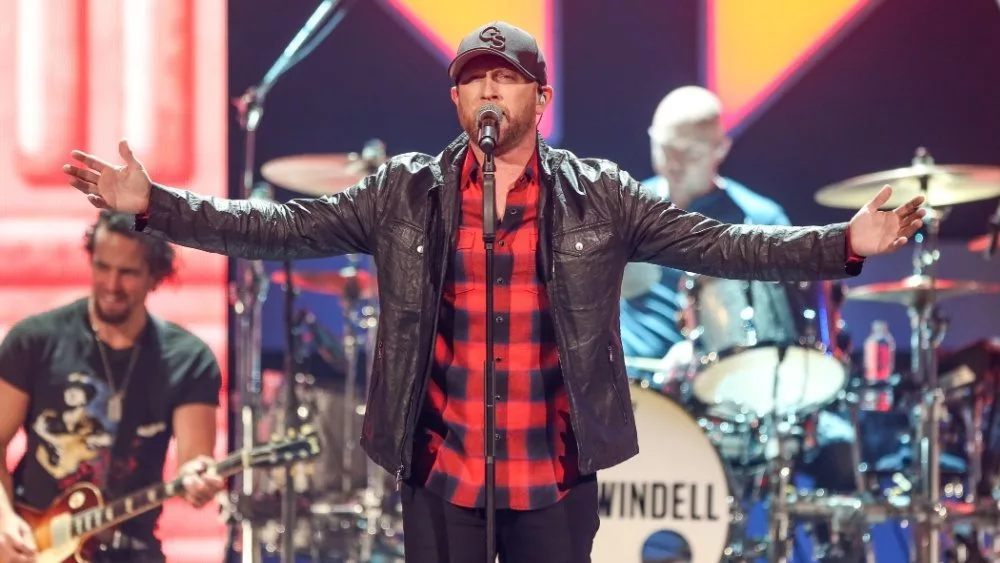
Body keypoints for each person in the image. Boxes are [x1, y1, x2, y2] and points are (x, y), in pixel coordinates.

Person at [61, 21, 924, 563]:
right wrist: (156, 205)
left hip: (554, 472)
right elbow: (278, 228)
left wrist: (843, 242)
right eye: (473, 77)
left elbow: (722, 244)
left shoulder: (599, 194)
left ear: (540, 98)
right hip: (442, 470)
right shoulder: (404, 191)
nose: (487, 88)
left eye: (504, 77)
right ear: (455, 97)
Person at [618, 85, 865, 559]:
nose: (672, 162)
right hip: (637, 396)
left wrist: (697, 354)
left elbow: (779, 335)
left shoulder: (759, 219)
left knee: (836, 443)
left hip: (722, 397)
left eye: (688, 152)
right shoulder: (626, 209)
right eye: (664, 146)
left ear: (721, 149)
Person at [0, 211, 226, 563]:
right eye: (102, 267)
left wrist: (197, 481)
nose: (111, 284)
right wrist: (4, 520)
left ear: (155, 276)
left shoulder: (188, 360)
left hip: (130, 549)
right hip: (35, 543)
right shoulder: (33, 341)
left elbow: (194, 462)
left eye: (127, 272)